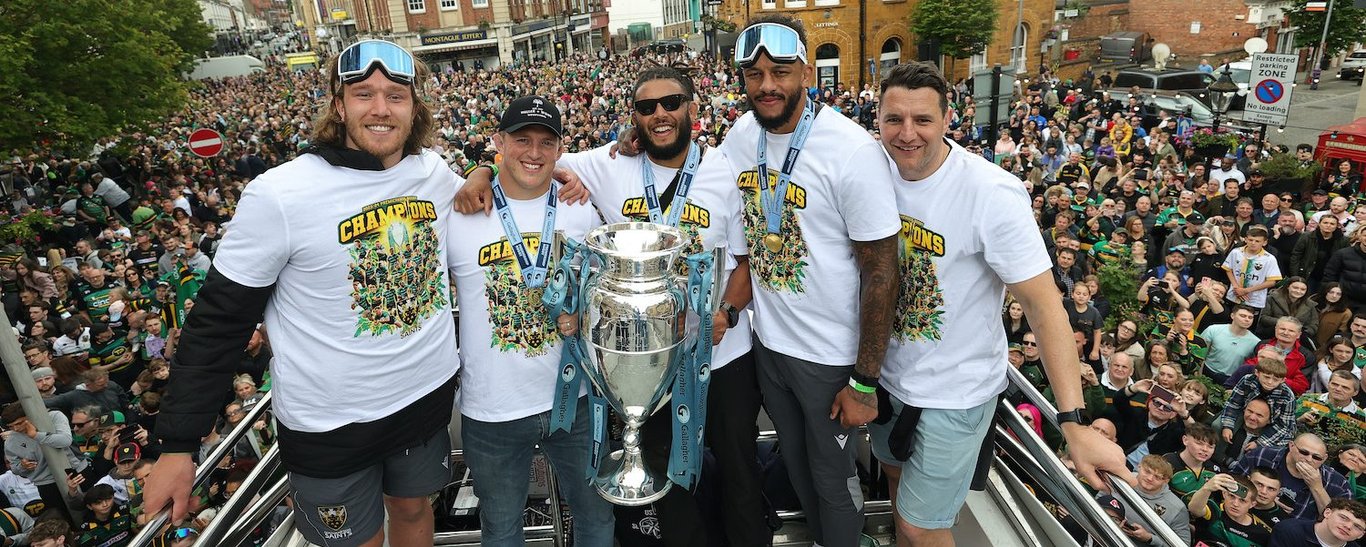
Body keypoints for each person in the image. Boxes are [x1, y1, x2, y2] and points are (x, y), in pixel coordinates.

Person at [144, 40, 461, 547]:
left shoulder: (434, 173)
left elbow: (483, 193)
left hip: (424, 397)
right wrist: (179, 445)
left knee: (414, 510)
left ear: (414, 107)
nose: (380, 108)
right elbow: (219, 321)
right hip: (329, 423)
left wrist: (515, 171)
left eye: (395, 95)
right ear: (339, 105)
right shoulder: (279, 194)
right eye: (364, 94)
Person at [457, 67, 766, 545]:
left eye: (671, 103)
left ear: (693, 108)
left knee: (740, 478)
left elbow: (745, 263)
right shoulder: (608, 166)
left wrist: (723, 312)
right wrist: (480, 169)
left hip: (720, 358)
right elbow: (532, 160)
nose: (660, 114)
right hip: (647, 364)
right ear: (634, 118)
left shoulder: (724, 168)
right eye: (646, 108)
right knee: (667, 486)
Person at [864, 61, 1128, 547]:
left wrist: (1072, 423)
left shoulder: (990, 193)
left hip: (955, 393)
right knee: (897, 488)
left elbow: (1045, 307)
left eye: (922, 120)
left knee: (922, 526)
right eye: (893, 119)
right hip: (887, 379)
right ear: (875, 119)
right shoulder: (870, 168)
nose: (906, 134)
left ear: (947, 120)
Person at [712, 17, 902, 547]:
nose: (767, 85)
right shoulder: (742, 134)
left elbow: (883, 272)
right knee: (796, 469)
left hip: (829, 358)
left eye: (780, 71)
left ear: (805, 72)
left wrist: (865, 380)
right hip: (770, 347)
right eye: (753, 73)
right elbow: (696, 176)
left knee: (833, 480)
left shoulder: (850, 150)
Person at [446, 96, 615, 547]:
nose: (534, 152)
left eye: (546, 142)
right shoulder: (459, 210)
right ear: (499, 142)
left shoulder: (579, 206)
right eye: (521, 139)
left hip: (573, 398)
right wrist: (477, 174)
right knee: (502, 532)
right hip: (491, 411)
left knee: (597, 519)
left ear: (560, 150)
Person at [1233, 433, 1353, 521]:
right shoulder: (1263, 455)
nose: (1309, 459)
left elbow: (1341, 522)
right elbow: (1232, 483)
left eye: (1316, 457)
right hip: (1249, 518)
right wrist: (1266, 501)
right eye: (1304, 452)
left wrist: (1317, 487)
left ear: (1325, 458)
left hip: (1295, 536)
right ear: (1291, 446)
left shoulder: (1337, 482)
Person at [2, 403, 86, 526]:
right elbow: (14, 468)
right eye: (11, 426)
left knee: (91, 505)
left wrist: (36, 435)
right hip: (46, 483)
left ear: (29, 415)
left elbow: (65, 440)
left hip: (75, 470)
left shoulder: (53, 416)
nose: (16, 429)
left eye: (20, 423)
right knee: (62, 519)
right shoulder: (11, 442)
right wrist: (22, 466)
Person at [1116, 455, 1192, 546]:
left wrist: (1150, 538)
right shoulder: (1120, 479)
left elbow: (1183, 544)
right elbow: (1098, 501)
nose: (1150, 478)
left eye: (1157, 477)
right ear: (1139, 466)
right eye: (1147, 472)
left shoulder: (1177, 507)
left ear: (1166, 481)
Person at [1186, 473, 1274, 547]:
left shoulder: (1262, 534)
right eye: (1231, 496)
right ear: (1224, 494)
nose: (1235, 504)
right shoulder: (1214, 510)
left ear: (1252, 504)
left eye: (1242, 501)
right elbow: (1194, 509)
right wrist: (1207, 488)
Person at [1224, 225, 1282, 312]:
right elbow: (1228, 269)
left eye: (1257, 241)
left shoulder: (1269, 258)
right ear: (1246, 239)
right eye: (1250, 240)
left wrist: (1246, 290)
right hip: (1234, 295)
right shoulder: (1236, 252)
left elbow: (1271, 282)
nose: (1253, 243)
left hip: (1254, 300)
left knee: (1247, 322)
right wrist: (1236, 287)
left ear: (1264, 242)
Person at [1201, 305, 1262, 383]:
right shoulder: (1213, 330)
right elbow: (1201, 354)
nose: (1247, 319)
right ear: (1232, 315)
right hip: (1207, 371)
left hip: (1231, 379)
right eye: (1243, 316)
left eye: (1250, 317)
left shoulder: (1256, 342)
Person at [1268, 498, 1366, 546]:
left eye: (1357, 526)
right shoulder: (1288, 531)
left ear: (1361, 535)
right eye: (1344, 518)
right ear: (1327, 513)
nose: (1348, 526)